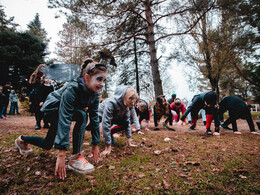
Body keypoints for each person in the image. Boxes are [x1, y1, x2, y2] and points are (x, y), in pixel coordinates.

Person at [15, 58, 108, 180]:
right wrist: (61, 154)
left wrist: (95, 144)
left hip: (64, 112)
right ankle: (75, 157)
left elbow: (95, 118)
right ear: (86, 78)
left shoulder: (94, 95)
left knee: (48, 144)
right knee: (82, 115)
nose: (102, 84)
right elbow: (65, 118)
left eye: (104, 80)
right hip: (51, 109)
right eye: (99, 79)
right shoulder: (72, 89)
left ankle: (21, 140)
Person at [98, 86, 140, 156]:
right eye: (130, 98)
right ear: (123, 96)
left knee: (125, 123)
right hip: (99, 115)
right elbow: (106, 123)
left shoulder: (126, 106)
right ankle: (99, 140)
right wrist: (108, 146)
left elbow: (127, 122)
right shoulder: (111, 103)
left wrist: (129, 140)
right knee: (94, 129)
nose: (133, 102)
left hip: (114, 117)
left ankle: (110, 134)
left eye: (134, 99)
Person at [28, 64, 46, 129]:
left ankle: (46, 123)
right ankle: (38, 123)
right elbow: (32, 85)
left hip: (44, 95)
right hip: (36, 95)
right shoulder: (34, 76)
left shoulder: (47, 76)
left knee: (45, 109)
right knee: (37, 110)